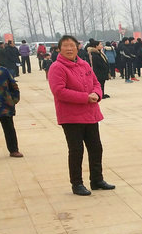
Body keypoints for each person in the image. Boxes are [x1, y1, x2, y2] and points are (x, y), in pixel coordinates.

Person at [48, 35, 116, 196]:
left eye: (72, 45)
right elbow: (59, 91)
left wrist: (97, 95)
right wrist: (85, 98)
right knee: (76, 150)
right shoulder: (57, 67)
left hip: (90, 114)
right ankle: (77, 183)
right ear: (59, 49)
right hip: (71, 117)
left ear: (78, 47)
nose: (69, 48)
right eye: (65, 46)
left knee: (96, 148)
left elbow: (96, 83)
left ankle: (97, 180)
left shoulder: (84, 64)